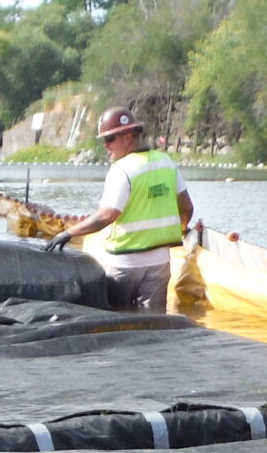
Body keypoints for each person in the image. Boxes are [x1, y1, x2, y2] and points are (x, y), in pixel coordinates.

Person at [45, 106, 193, 312]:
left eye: (110, 139)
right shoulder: (166, 162)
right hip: (160, 262)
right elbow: (186, 207)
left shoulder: (122, 169)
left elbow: (106, 215)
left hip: (124, 263)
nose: (106, 145)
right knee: (154, 320)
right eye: (104, 140)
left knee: (118, 319)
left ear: (129, 136)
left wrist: (68, 233)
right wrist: (181, 230)